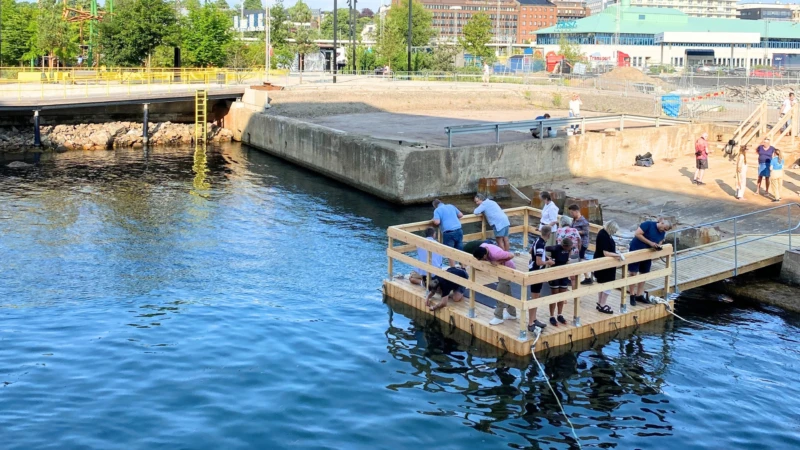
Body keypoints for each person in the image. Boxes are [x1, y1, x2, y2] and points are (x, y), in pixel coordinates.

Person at [628, 219, 672, 306]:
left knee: (644, 273)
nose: (664, 230)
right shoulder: (648, 224)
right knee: (633, 272)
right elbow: (637, 234)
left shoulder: (662, 233)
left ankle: (639, 294)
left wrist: (658, 245)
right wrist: (650, 243)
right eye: (665, 228)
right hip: (636, 250)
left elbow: (660, 240)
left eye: (666, 230)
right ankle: (632, 295)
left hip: (648, 254)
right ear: (661, 223)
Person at [472, 243, 517, 326]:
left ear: (485, 254)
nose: (483, 260)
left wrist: (498, 262)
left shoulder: (496, 254)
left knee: (499, 291)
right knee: (506, 292)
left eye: (483, 258)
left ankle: (498, 317)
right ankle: (512, 313)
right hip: (501, 271)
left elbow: (511, 255)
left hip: (508, 270)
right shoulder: (482, 246)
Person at [593, 221, 624, 314]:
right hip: (605, 265)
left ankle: (600, 303)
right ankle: (602, 304)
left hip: (604, 263)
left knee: (602, 283)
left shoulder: (603, 233)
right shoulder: (604, 236)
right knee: (608, 284)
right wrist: (617, 255)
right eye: (614, 231)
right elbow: (605, 253)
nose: (614, 233)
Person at [527, 226, 554, 331]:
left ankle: (534, 319)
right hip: (536, 272)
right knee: (534, 298)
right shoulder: (541, 244)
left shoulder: (538, 240)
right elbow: (538, 262)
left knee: (537, 296)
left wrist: (545, 257)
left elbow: (530, 251)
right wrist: (548, 262)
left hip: (535, 270)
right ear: (549, 234)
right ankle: (530, 323)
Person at [545, 237, 573, 326]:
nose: (570, 249)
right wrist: (548, 259)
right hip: (554, 274)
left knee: (562, 295)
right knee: (554, 295)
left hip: (563, 274)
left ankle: (560, 314)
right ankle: (551, 316)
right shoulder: (556, 248)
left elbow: (568, 259)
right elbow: (542, 249)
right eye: (569, 248)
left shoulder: (569, 250)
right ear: (565, 246)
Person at [432, 199, 464, 266]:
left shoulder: (437, 210)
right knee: (460, 250)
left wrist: (433, 220)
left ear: (435, 206)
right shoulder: (451, 206)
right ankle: (463, 267)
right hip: (458, 230)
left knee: (449, 251)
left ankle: (453, 268)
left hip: (448, 232)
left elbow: (437, 222)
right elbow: (461, 215)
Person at [568, 204, 593, 285]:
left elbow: (586, 232)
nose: (571, 214)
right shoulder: (574, 220)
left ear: (576, 211)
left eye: (572, 212)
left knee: (579, 260)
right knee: (579, 260)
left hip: (582, 244)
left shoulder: (584, 221)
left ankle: (584, 277)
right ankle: (587, 277)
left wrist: (575, 231)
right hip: (575, 243)